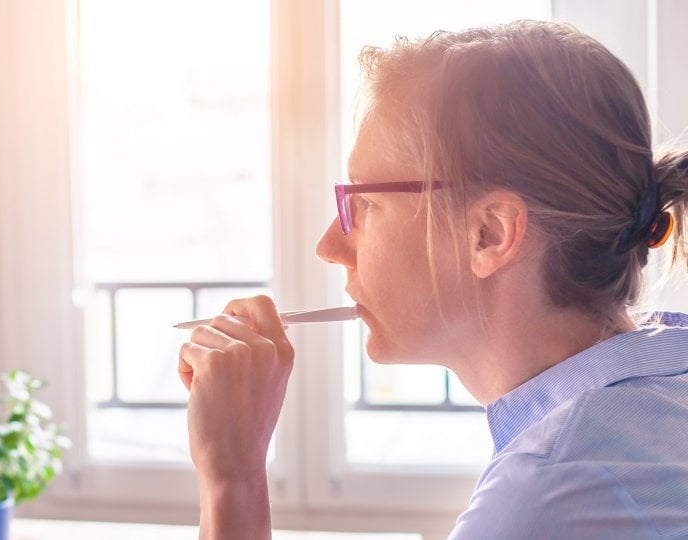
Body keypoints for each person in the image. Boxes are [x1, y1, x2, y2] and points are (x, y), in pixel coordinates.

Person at [178, 19, 688, 539]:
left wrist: (232, 484)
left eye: (366, 203)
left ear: (489, 233)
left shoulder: (547, 497)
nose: (329, 246)